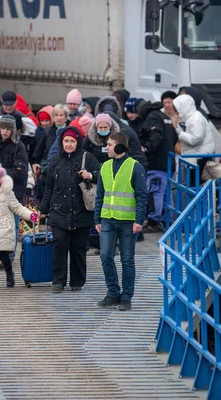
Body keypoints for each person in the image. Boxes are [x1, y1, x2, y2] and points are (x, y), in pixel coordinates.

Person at [39, 126, 101, 292]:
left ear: (77, 142)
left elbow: (102, 173)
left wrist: (90, 175)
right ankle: (58, 281)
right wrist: (43, 208)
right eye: (66, 141)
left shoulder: (87, 157)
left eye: (72, 141)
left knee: (78, 248)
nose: (68, 144)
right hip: (59, 211)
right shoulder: (55, 161)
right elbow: (49, 187)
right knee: (59, 245)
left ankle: (77, 281)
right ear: (61, 142)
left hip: (81, 211)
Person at [95, 132, 148, 311]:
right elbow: (100, 195)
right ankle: (112, 293)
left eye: (109, 145)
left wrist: (139, 220)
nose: (106, 148)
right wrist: (97, 218)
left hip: (127, 221)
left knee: (127, 259)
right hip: (107, 219)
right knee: (105, 256)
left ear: (119, 147)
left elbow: (142, 196)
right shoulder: (104, 166)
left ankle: (126, 297)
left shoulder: (135, 167)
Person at [0, 163, 37, 292]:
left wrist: (31, 215)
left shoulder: (8, 193)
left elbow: (17, 208)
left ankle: (10, 273)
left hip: (4, 229)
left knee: (4, 256)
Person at [135, 100, 176, 231]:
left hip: (157, 162)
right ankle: (168, 219)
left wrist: (146, 148)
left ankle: (153, 220)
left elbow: (156, 135)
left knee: (155, 192)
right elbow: (174, 137)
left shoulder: (152, 117)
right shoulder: (165, 117)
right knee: (166, 192)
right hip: (169, 162)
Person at [172, 94, 215, 176]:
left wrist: (180, 133)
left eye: (177, 108)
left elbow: (196, 139)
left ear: (183, 107)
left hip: (199, 158)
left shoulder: (196, 118)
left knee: (194, 185)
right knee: (192, 185)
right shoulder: (190, 118)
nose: (176, 112)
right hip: (194, 157)